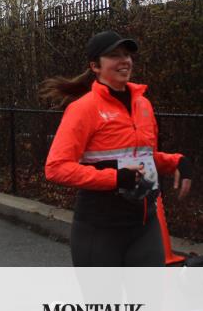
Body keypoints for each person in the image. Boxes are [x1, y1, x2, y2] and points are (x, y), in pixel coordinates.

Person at [42, 31, 191, 267]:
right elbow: (56, 168)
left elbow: (144, 158)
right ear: (95, 66)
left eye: (127, 55)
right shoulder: (83, 109)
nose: (125, 61)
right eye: (114, 55)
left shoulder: (143, 104)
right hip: (99, 229)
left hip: (145, 225)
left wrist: (175, 162)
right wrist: (116, 178)